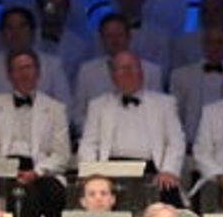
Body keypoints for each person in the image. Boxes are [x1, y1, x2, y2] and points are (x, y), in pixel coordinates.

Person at [0, 48, 72, 217]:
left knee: (49, 192)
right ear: (9, 75)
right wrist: (5, 168)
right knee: (16, 194)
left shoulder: (55, 108)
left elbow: (62, 155)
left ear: (38, 72)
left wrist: (35, 173)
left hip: (40, 172)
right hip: (1, 171)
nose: (24, 73)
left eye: (28, 67)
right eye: (18, 69)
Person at [77, 50, 185, 204]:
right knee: (93, 194)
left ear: (141, 72)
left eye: (132, 67)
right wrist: (94, 175)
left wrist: (168, 170)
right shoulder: (98, 105)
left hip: (152, 169)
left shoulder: (164, 103)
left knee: (168, 192)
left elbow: (176, 141)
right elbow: (88, 143)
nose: (127, 73)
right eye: (121, 68)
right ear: (112, 76)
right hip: (110, 170)